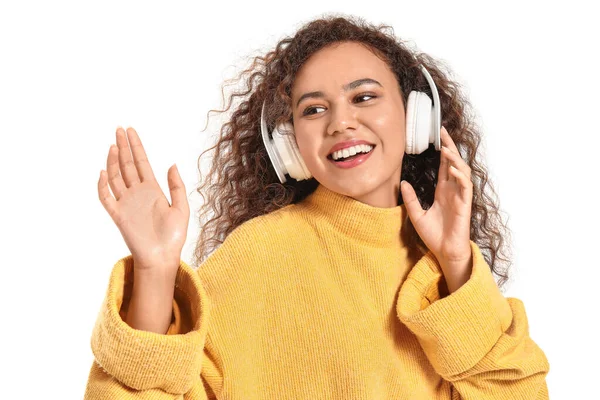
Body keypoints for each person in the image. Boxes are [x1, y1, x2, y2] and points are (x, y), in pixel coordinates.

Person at [84, 16, 550, 399]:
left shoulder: (445, 269)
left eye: (364, 97)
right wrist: (155, 270)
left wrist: (456, 263)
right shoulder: (259, 255)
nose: (341, 122)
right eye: (313, 109)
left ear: (415, 116)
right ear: (290, 147)